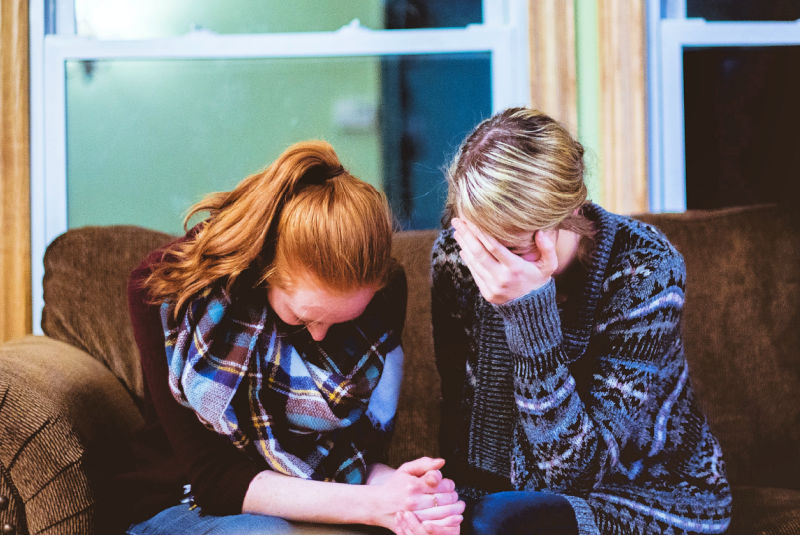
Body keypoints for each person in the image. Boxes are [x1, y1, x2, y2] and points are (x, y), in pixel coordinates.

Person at [114, 141, 465, 535]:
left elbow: (351, 456)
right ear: (265, 266)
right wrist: (373, 505)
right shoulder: (167, 290)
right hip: (183, 500)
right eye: (303, 317)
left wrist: (400, 490)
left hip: (309, 498)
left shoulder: (381, 299)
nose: (319, 335)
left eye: (342, 320)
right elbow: (214, 481)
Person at [431, 108, 732, 535]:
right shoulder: (460, 258)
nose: (494, 266)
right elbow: (462, 422)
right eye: (483, 243)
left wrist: (528, 315)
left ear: (570, 213)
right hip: (507, 499)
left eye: (515, 248)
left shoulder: (647, 270)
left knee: (501, 521)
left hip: (649, 493)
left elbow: (574, 476)